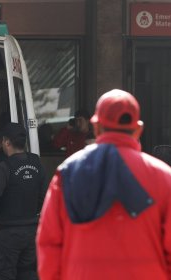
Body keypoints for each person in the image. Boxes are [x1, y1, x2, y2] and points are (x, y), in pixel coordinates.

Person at [36, 89, 171, 280]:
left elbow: (49, 245)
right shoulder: (164, 178)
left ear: (96, 127)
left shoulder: (67, 174)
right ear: (139, 129)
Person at [0, 123, 47, 280]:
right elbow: (45, 193)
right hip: (32, 230)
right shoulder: (36, 162)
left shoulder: (3, 167)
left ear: (6, 142)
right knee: (28, 273)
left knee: (4, 273)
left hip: (9, 232)